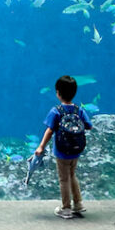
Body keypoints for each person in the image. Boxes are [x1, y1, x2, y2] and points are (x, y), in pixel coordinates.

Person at [35, 75, 93, 219]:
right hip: (76, 151)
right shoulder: (79, 110)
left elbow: (49, 130)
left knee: (64, 179)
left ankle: (66, 208)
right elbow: (89, 126)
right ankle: (78, 204)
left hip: (61, 153)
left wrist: (41, 146)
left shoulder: (56, 111)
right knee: (72, 175)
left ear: (58, 93)